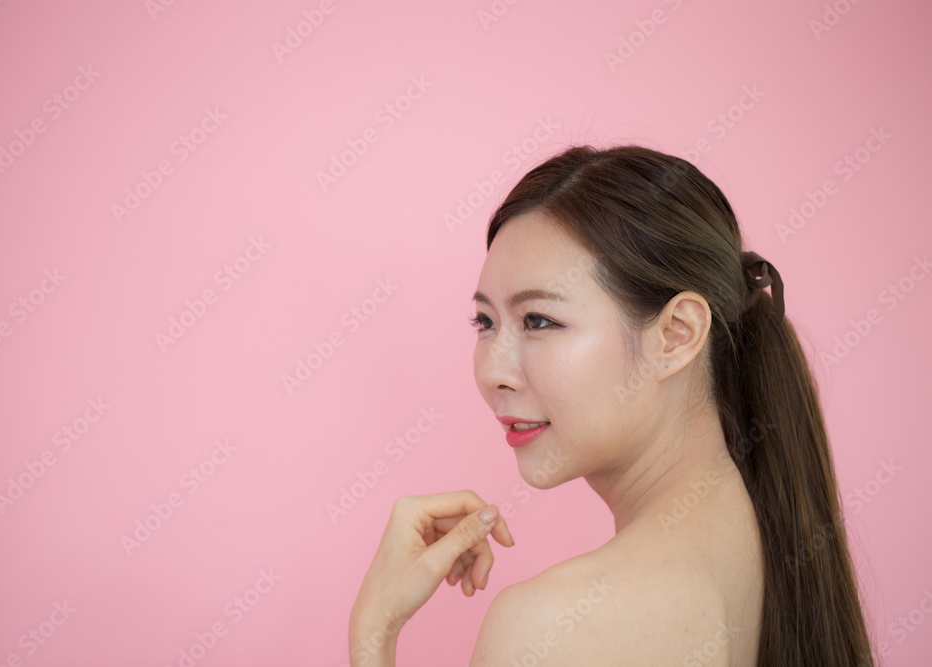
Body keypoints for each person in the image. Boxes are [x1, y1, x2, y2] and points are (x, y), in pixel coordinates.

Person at [348, 144, 877, 666]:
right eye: (485, 322)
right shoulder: (773, 542)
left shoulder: (553, 626)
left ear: (676, 334)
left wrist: (373, 634)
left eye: (538, 320)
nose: (492, 373)